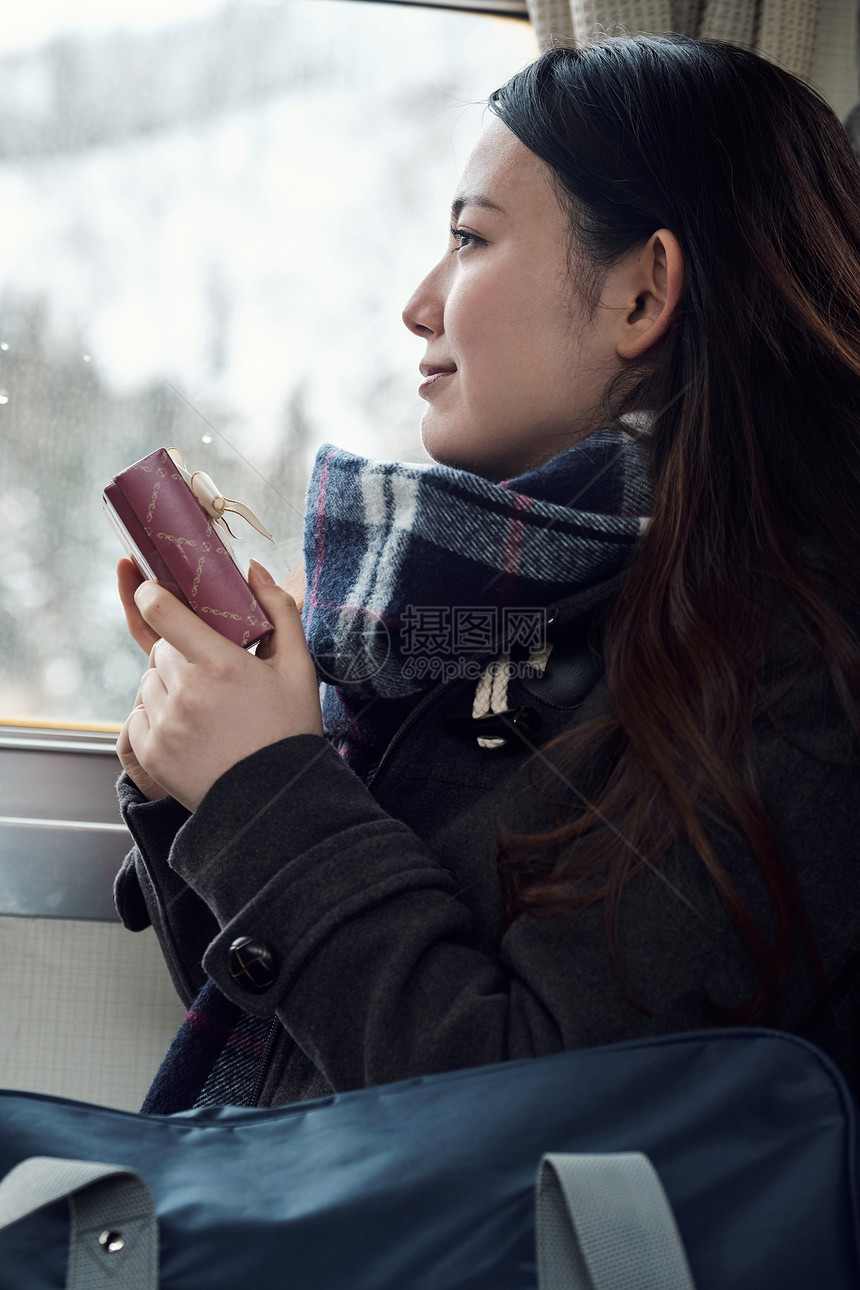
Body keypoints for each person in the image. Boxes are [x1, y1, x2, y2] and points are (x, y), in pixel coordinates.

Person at [114, 33, 860, 1113]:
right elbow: (308, 1034)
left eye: (468, 239)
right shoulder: (502, 622)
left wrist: (264, 786)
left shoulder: (801, 672)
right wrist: (196, 777)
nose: (419, 303)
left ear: (642, 295)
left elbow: (512, 1121)